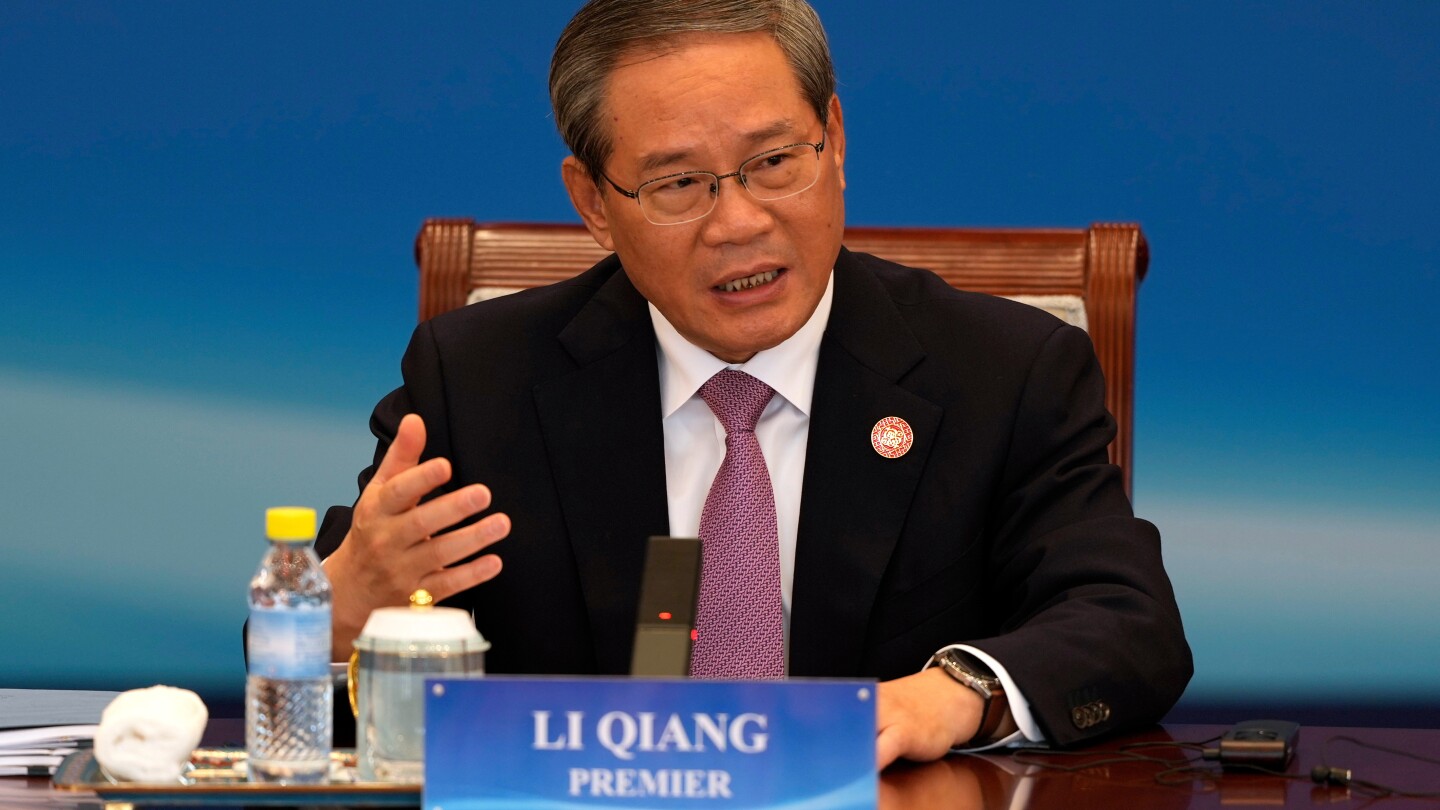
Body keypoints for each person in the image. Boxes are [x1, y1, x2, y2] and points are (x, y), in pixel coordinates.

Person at [315, 0, 1191, 770]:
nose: (738, 223)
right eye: (678, 184)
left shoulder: (1003, 372)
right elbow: (336, 698)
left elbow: (1127, 622)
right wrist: (342, 612)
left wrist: (954, 693)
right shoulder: (480, 381)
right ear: (593, 202)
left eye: (774, 162)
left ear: (834, 139)